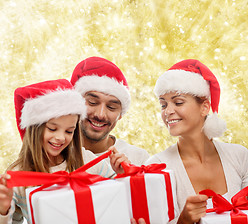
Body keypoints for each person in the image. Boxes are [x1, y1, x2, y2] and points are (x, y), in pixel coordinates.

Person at [0, 79, 127, 224]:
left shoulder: (87, 160)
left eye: (69, 131)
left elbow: (116, 198)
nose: (60, 138)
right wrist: (3, 211)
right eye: (52, 129)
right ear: (34, 129)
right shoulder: (19, 176)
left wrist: (122, 176)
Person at [146, 59, 248, 223]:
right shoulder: (157, 167)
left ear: (205, 107)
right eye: (163, 105)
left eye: (178, 102)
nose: (168, 112)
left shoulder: (240, 157)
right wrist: (183, 221)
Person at [70, 56, 150, 166]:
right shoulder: (52, 155)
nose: (100, 114)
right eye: (92, 102)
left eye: (111, 107)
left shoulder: (138, 159)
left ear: (121, 114)